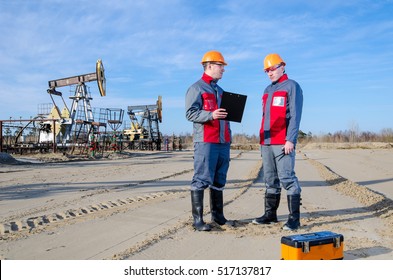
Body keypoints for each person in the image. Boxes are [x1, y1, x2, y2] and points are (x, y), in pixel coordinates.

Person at [253, 53, 303, 231]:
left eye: (272, 68)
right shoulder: (267, 90)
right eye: (267, 70)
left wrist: (291, 139)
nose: (269, 73)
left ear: (282, 66)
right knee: (270, 180)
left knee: (287, 178)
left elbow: (295, 116)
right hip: (266, 142)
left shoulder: (292, 86)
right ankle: (270, 215)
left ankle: (294, 219)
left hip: (282, 142)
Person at [185, 50, 234, 231]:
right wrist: (211, 114)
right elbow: (190, 113)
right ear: (210, 66)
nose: (223, 69)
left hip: (223, 142)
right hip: (206, 141)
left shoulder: (221, 91)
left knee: (219, 179)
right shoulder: (196, 88)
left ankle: (218, 217)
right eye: (220, 66)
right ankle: (198, 220)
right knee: (201, 178)